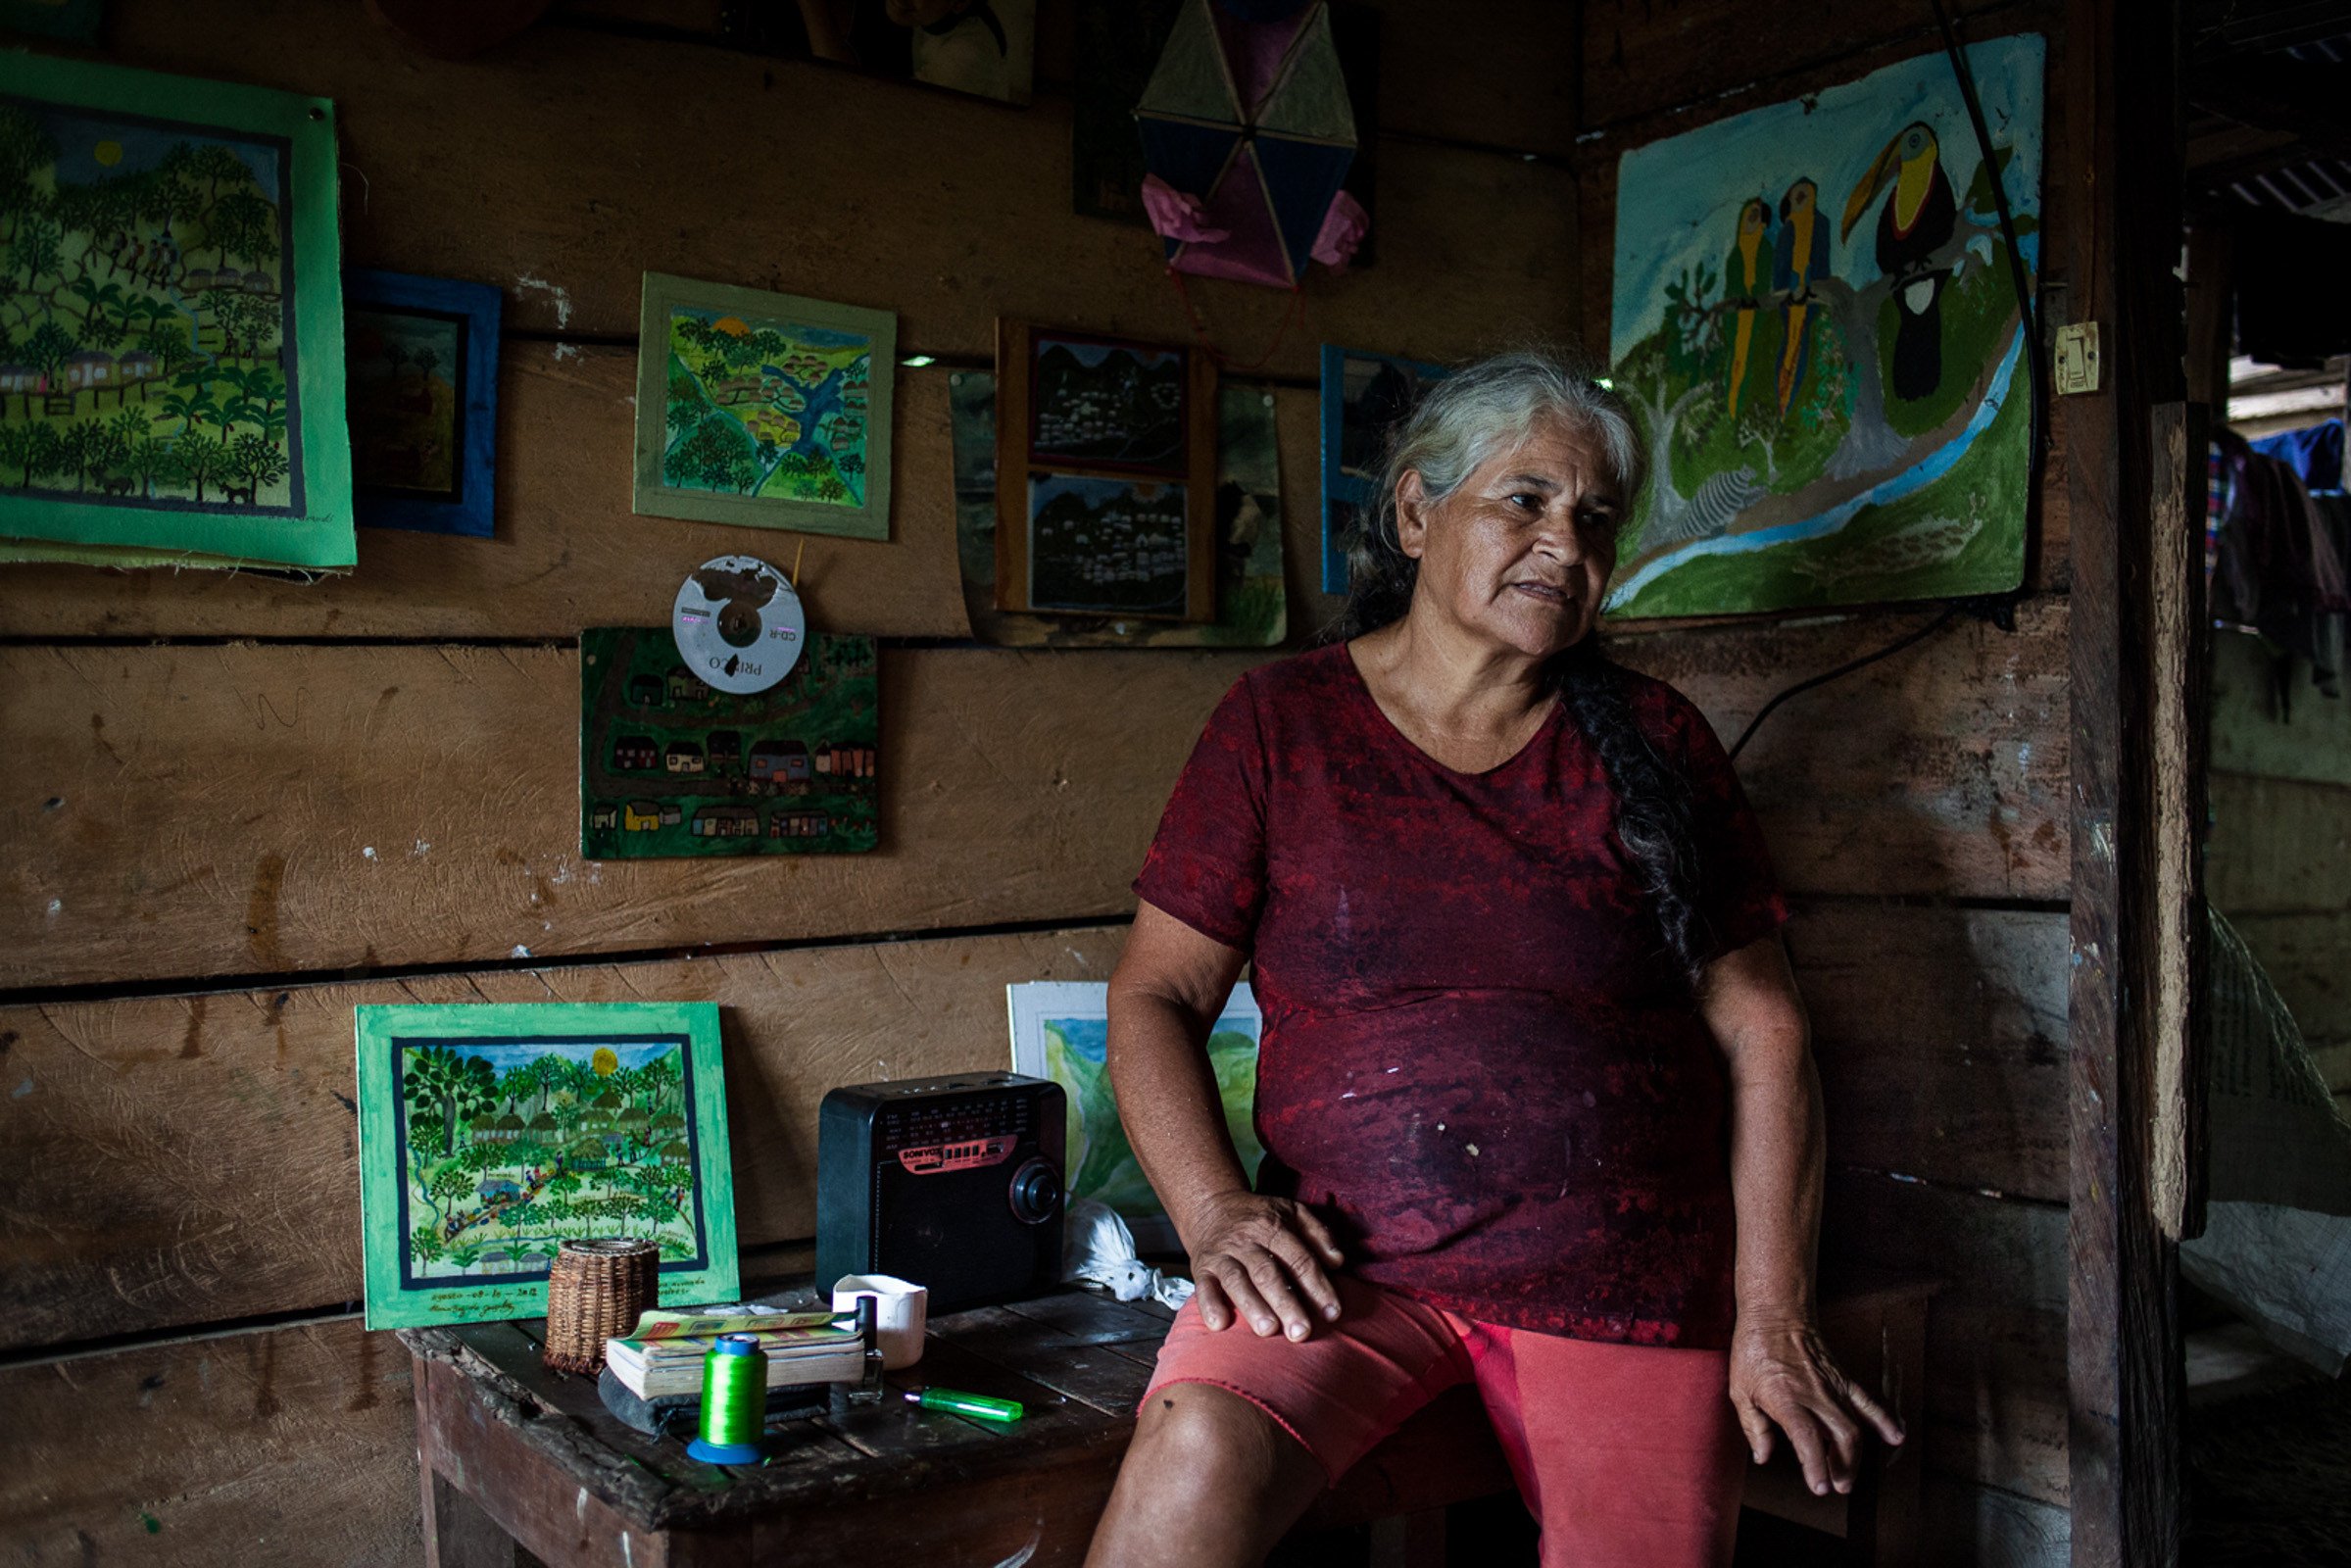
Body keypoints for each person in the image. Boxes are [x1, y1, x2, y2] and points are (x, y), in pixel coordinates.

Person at [1082, 351, 1902, 1568]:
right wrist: (1212, 1214)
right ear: (1416, 512)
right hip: (1344, 1264)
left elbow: (1763, 1030)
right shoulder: (1280, 724)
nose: (1563, 545)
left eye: (1594, 519)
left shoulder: (1655, 741)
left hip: (1617, 1276)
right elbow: (1154, 994)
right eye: (1523, 499)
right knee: (1192, 1450)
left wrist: (1771, 1314)